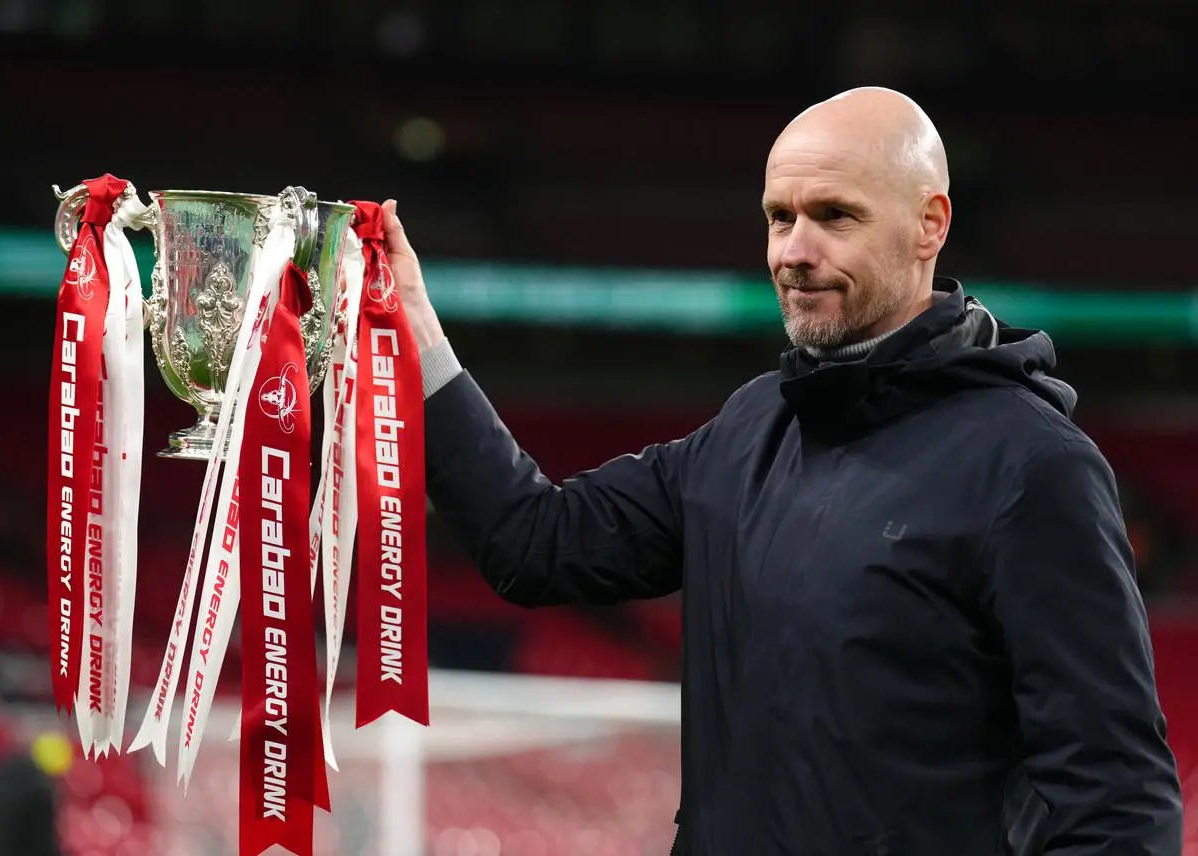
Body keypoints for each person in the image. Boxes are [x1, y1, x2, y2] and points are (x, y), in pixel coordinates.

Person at [384, 87, 1183, 854]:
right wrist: (412, 329)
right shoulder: (752, 427)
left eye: (835, 216)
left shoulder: (1032, 467)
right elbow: (536, 542)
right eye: (779, 217)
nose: (796, 252)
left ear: (928, 224)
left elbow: (1116, 801)